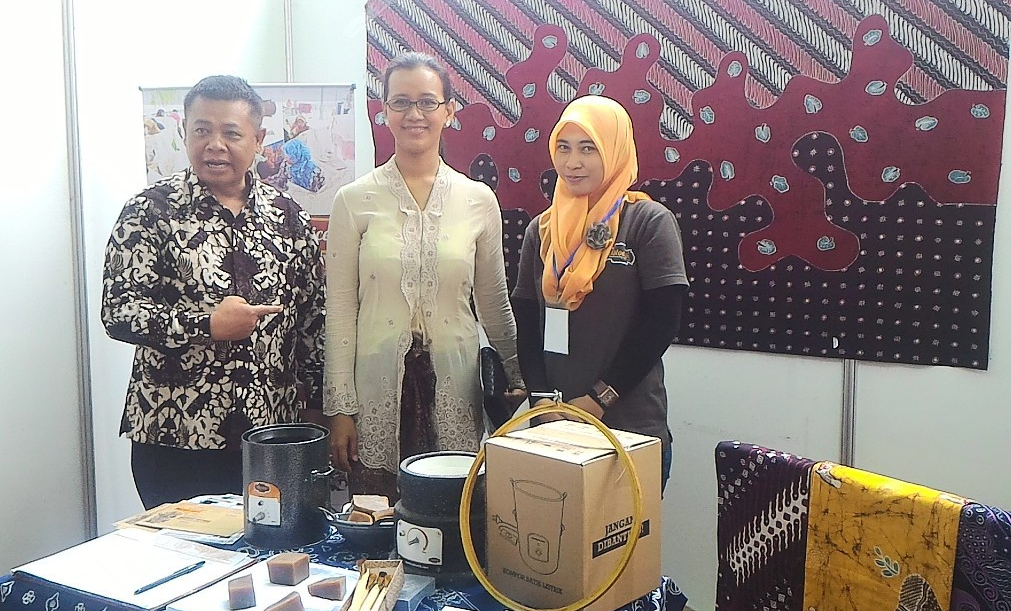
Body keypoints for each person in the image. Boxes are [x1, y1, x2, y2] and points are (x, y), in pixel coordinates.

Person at [102, 75, 326, 509]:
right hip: (175, 435)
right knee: (182, 550)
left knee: (270, 547)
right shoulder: (150, 211)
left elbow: (313, 324)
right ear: (184, 131)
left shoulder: (288, 217)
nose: (214, 145)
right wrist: (207, 325)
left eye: (231, 133)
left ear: (258, 139)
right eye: (201, 130)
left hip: (271, 437)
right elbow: (119, 312)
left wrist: (317, 408)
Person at [324, 52, 525, 501]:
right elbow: (339, 308)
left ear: (449, 110)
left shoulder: (477, 200)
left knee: (453, 516)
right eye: (401, 102)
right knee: (378, 516)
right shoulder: (353, 200)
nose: (414, 113)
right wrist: (339, 408)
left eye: (427, 102)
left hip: (457, 384)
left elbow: (494, 301)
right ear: (384, 110)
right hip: (375, 389)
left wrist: (518, 379)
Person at [511, 95, 689, 492]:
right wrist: (541, 400)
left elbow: (661, 325)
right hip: (553, 429)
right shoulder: (542, 230)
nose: (573, 162)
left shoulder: (647, 222)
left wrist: (599, 398)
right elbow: (527, 323)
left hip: (629, 430)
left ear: (614, 150)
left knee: (625, 534)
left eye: (588, 148)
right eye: (564, 147)